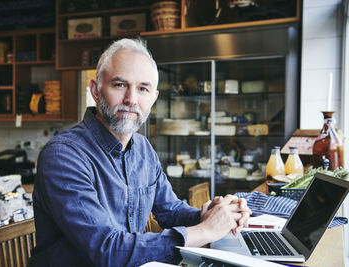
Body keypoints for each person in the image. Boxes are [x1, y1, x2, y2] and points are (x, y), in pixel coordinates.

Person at [28, 38, 251, 267]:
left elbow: (170, 210)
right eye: (119, 85)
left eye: (143, 89)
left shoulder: (143, 148)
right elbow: (108, 250)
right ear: (95, 90)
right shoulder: (63, 155)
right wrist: (205, 231)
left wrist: (214, 215)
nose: (131, 100)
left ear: (153, 98)